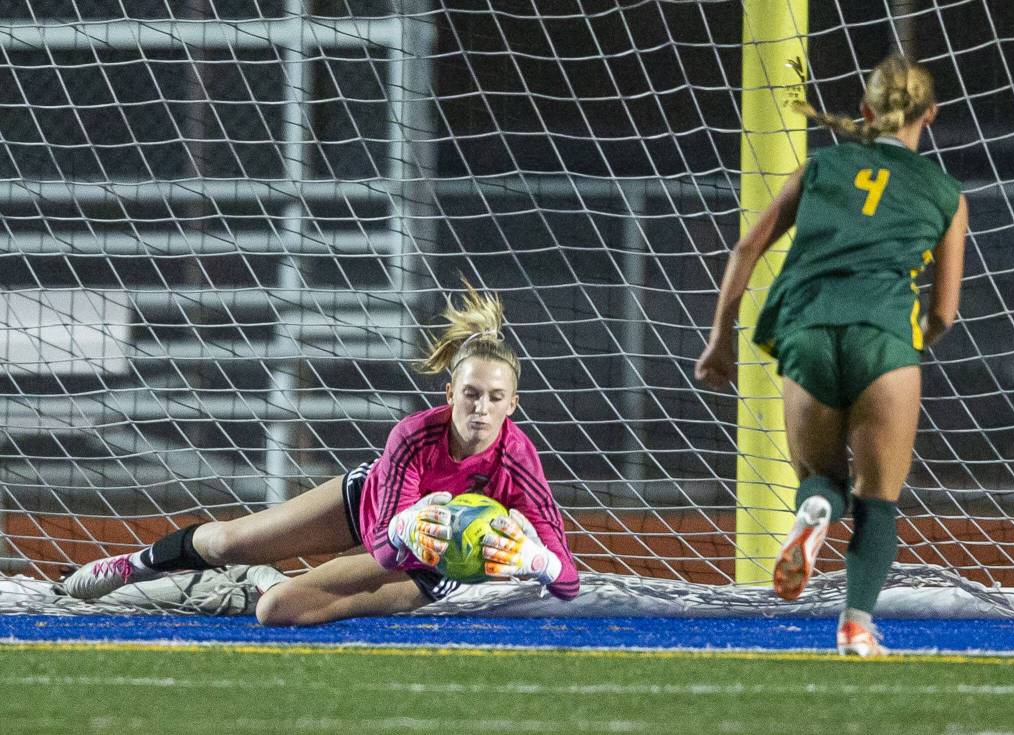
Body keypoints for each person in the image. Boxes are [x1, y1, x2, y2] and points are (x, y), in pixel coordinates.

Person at [65, 284, 580, 624]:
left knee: (277, 611)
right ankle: (131, 566)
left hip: (426, 566)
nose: (481, 408)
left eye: (495, 398)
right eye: (470, 394)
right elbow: (383, 539)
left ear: (513, 404)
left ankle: (266, 581)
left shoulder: (518, 460)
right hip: (371, 510)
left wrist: (534, 560)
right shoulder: (414, 435)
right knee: (227, 542)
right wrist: (406, 527)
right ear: (449, 395)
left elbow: (568, 580)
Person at [695, 54, 967, 656]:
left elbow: (746, 247)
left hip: (807, 331)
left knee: (820, 478)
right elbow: (944, 313)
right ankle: (855, 627)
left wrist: (720, 341)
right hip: (884, 338)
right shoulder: (945, 193)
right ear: (931, 114)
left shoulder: (820, 166)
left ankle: (815, 507)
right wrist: (909, 342)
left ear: (865, 111)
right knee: (879, 502)